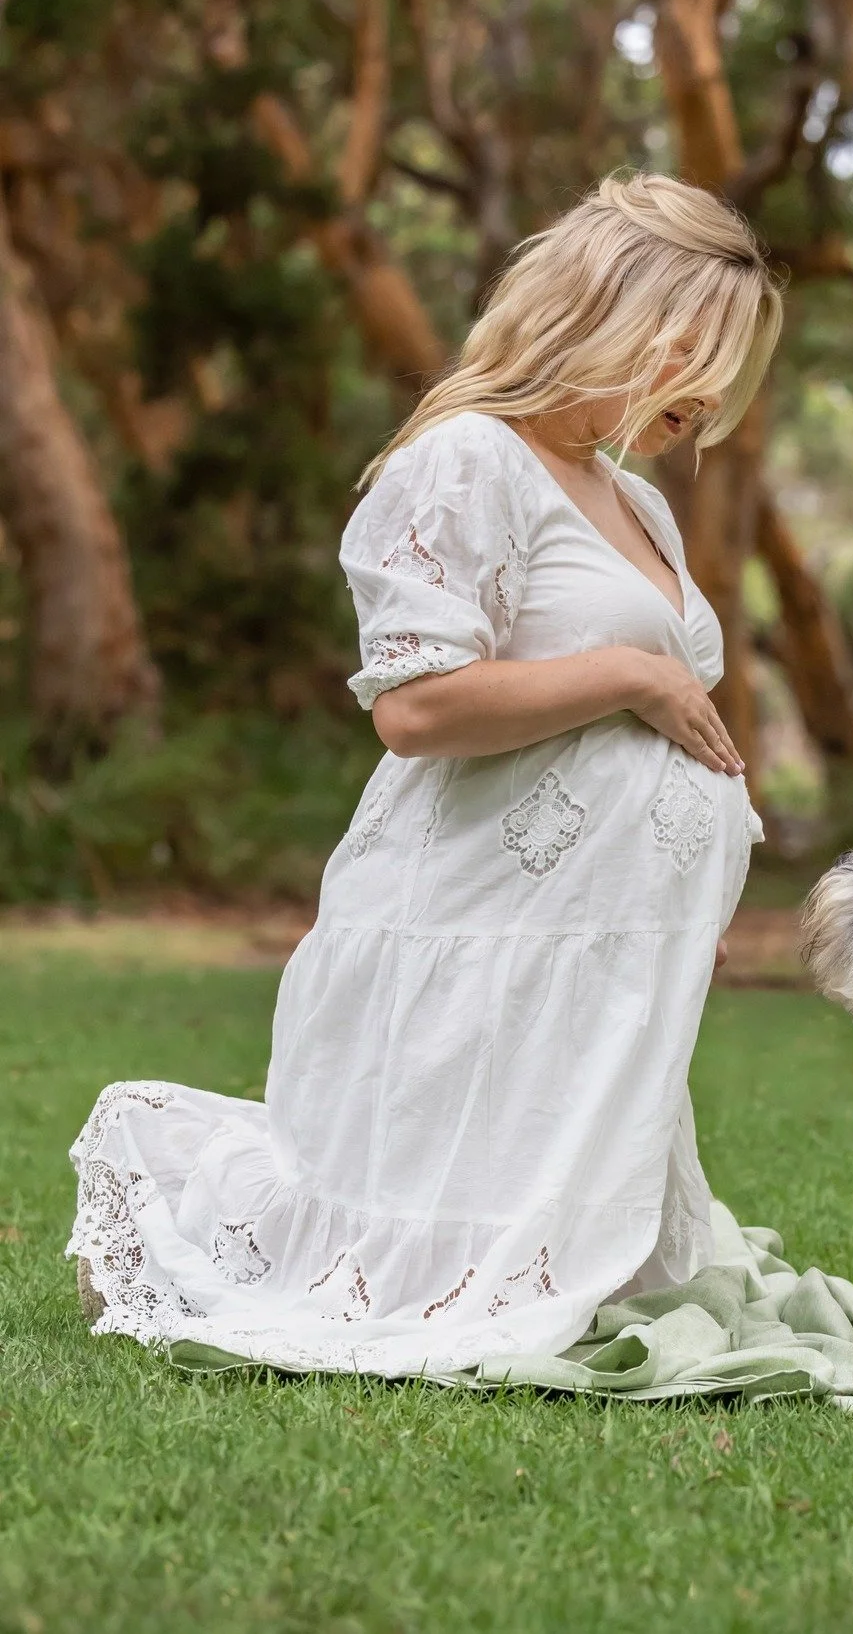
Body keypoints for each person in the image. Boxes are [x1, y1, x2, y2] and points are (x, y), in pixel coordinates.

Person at [67, 172, 782, 1378]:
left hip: (596, 953)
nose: (711, 395)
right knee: (423, 1248)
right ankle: (178, 1199)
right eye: (692, 350)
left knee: (600, 1264)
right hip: (473, 920)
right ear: (603, 311)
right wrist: (630, 674)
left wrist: (684, 894)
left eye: (732, 364)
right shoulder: (467, 460)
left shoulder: (638, 505)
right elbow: (416, 704)